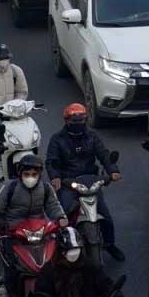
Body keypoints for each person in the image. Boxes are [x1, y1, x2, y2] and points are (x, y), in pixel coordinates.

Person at [44, 103, 124, 262]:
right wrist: (55, 177)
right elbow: (51, 162)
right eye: (75, 121)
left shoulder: (92, 136)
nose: (79, 124)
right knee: (63, 217)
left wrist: (113, 171)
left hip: (91, 181)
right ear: (67, 121)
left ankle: (109, 244)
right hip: (68, 183)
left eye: (82, 120)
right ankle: (62, 246)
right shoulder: (57, 140)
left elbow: (104, 154)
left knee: (106, 216)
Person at [0, 154, 67, 297]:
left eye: (34, 174)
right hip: (13, 233)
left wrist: (61, 218)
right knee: (12, 268)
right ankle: (5, 291)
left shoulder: (46, 188)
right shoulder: (8, 187)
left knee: (58, 261)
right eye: (27, 174)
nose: (30, 178)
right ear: (20, 174)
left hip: (39, 232)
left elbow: (54, 206)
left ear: (39, 175)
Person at [34, 227, 125, 297]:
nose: (74, 253)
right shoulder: (48, 271)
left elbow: (105, 284)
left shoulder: (90, 266)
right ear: (60, 251)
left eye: (76, 249)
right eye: (69, 250)